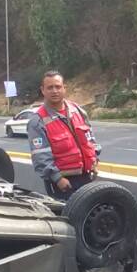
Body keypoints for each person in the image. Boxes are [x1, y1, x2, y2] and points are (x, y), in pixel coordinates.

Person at [28, 71, 100, 200]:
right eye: (50, 88)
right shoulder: (37, 121)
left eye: (58, 87)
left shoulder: (77, 111)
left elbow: (90, 138)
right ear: (43, 90)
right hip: (62, 183)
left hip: (86, 177)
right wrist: (58, 179)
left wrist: (94, 161)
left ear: (64, 88)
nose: (54, 91)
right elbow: (41, 157)